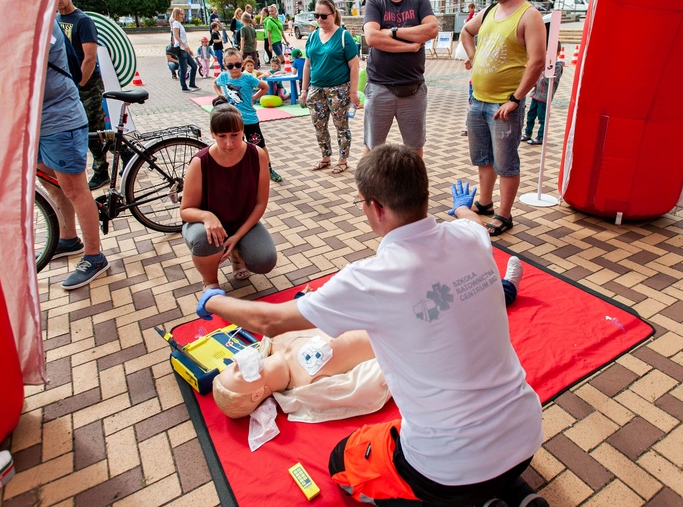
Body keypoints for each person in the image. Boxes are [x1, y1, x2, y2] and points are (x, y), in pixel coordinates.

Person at [197, 144, 541, 506]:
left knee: (342, 462)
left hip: (446, 467)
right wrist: (460, 208)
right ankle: (512, 493)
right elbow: (476, 226)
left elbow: (269, 320)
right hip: (525, 432)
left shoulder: (370, 279)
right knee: (473, 461)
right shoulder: (470, 238)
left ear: (376, 208)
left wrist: (211, 297)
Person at [459, 0, 546, 236]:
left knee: (506, 163)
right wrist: (473, 58)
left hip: (503, 104)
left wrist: (516, 99)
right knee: (483, 158)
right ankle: (485, 204)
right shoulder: (488, 12)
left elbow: (536, 62)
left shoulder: (529, 16)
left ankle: (504, 215)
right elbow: (465, 32)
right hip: (478, 99)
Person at [38, 18, 110, 289]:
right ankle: (68, 238)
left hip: (59, 119)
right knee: (49, 181)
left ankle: (94, 256)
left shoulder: (41, 21)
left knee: (75, 189)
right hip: (36, 124)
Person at [180, 103, 277, 288]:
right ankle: (210, 281)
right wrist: (207, 216)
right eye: (221, 136)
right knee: (204, 239)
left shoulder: (257, 155)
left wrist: (237, 236)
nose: (229, 143)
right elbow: (185, 210)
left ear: (243, 130)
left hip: (242, 221)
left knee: (265, 260)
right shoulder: (200, 162)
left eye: (235, 135)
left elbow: (260, 203)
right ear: (212, 134)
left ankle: (237, 254)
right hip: (205, 226)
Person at [211, 325, 384, 420]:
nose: (238, 362)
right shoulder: (309, 384)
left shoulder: (274, 337)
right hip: (390, 325)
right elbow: (370, 382)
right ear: (256, 395)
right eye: (237, 372)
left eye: (232, 364)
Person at [362, 0, 439, 158]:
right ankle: (366, 192)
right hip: (380, 86)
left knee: (414, 149)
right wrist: (410, 46)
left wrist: (393, 31)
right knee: (372, 150)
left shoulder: (419, 0)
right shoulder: (375, 3)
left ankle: (414, 191)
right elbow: (372, 38)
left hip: (413, 88)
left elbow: (431, 30)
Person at [57, 0, 109, 190]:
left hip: (86, 84)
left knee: (92, 127)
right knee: (93, 127)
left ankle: (101, 170)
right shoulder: (55, 20)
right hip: (67, 84)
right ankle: (125, 153)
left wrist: (79, 84)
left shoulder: (83, 21)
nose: (57, 0)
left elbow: (89, 58)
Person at [300, 0, 360, 175]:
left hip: (338, 90)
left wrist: (353, 93)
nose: (320, 19)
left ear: (333, 15)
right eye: (316, 15)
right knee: (319, 125)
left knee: (341, 125)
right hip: (316, 89)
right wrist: (304, 90)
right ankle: (325, 156)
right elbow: (307, 65)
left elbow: (354, 66)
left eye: (323, 16)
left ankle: (343, 159)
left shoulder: (343, 36)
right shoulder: (311, 36)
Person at [213, 48, 283, 183]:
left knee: (259, 146)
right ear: (225, 65)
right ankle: (239, 171)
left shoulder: (248, 78)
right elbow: (215, 83)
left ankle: (268, 169)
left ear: (242, 63)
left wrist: (254, 98)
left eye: (238, 65)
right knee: (235, 146)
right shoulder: (223, 76)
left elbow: (265, 87)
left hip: (249, 119)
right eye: (230, 65)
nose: (234, 68)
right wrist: (220, 94)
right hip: (233, 120)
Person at [522, 33, 564, 146]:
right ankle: (527, 133)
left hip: (544, 97)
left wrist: (545, 70)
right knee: (531, 115)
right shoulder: (543, 63)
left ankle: (540, 136)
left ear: (558, 54)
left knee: (542, 118)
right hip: (536, 95)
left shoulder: (558, 66)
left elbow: (551, 80)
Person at [171, 7, 199, 92]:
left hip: (184, 49)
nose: (182, 16)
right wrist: (183, 45)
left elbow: (183, 38)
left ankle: (192, 83)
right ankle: (184, 87)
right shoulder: (175, 23)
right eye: (181, 14)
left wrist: (188, 48)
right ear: (177, 15)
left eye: (183, 14)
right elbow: (176, 36)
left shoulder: (179, 24)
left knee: (194, 65)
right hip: (180, 49)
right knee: (183, 68)